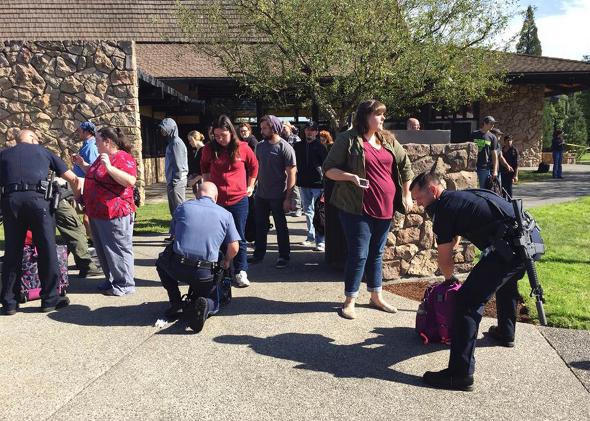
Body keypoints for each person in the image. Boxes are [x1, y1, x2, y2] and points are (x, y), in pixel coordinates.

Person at [410, 171, 527, 391]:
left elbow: (444, 257)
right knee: (506, 281)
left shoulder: (443, 210)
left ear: (433, 191)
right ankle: (506, 331)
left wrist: (449, 280)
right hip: (525, 241)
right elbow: (455, 235)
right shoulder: (460, 198)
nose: (419, 205)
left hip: (508, 248)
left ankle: (459, 374)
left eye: (420, 199)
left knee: (465, 302)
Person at [323, 100, 414, 320]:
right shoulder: (348, 139)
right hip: (357, 207)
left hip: (385, 206)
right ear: (365, 116)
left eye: (384, 114)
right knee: (359, 253)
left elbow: (405, 165)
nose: (383, 118)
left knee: (377, 253)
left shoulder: (388, 140)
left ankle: (376, 296)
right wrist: (350, 177)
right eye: (379, 114)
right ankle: (350, 300)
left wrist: (406, 193)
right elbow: (328, 169)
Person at [1, 129, 80, 314]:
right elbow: (72, 178)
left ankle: (9, 302)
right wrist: (78, 198)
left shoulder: (3, 154)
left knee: (12, 251)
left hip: (11, 202)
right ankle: (50, 299)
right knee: (46, 249)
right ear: (33, 139)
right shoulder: (44, 151)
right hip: (39, 202)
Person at [156, 182, 240, 333]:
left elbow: (174, 235)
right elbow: (234, 247)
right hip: (204, 273)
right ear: (215, 197)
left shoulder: (182, 207)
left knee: (161, 263)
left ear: (197, 194)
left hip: (177, 267)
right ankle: (207, 304)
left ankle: (175, 302)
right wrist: (226, 261)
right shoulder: (226, 215)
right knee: (214, 298)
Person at [73, 127, 137, 296]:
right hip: (97, 212)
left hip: (115, 213)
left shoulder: (123, 157)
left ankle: (125, 284)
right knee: (103, 249)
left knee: (118, 249)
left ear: (107, 142)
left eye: (98, 140)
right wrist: (83, 164)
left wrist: (109, 167)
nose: (95, 143)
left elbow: (130, 180)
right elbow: (96, 176)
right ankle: (112, 280)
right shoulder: (101, 158)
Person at [200, 115, 259, 287]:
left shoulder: (243, 147)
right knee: (217, 236)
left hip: (239, 198)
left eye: (222, 135)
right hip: (216, 200)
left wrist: (251, 185)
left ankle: (241, 270)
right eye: (216, 135)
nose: (219, 139)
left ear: (231, 132)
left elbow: (254, 165)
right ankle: (219, 269)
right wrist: (207, 185)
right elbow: (204, 166)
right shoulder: (209, 149)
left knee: (238, 235)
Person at [248, 115, 297, 269]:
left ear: (274, 127)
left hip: (278, 195)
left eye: (265, 128)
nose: (261, 131)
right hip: (261, 194)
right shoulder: (260, 146)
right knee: (260, 225)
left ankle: (284, 255)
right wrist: (251, 186)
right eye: (261, 128)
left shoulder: (285, 147)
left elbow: (292, 174)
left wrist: (288, 198)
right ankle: (258, 254)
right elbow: (256, 169)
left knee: (281, 226)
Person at [294, 121, 328, 251]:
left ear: (316, 132)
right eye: (307, 129)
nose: (309, 132)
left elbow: (326, 164)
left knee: (319, 213)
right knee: (308, 212)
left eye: (312, 130)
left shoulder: (320, 146)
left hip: (318, 184)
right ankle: (310, 237)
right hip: (303, 183)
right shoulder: (298, 146)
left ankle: (320, 240)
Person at [158, 118, 188, 241]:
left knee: (179, 209)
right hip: (173, 181)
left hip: (177, 182)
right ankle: (175, 233)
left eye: (164, 128)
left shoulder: (176, 143)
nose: (162, 131)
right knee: (174, 209)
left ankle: (181, 235)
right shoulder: (172, 142)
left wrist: (175, 181)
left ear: (171, 128)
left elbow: (179, 164)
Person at [72, 121, 99, 239]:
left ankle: (93, 240)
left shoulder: (91, 147)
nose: (78, 132)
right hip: (84, 183)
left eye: (80, 130)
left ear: (86, 131)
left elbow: (93, 169)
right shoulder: (87, 145)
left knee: (88, 217)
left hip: (87, 184)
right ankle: (93, 239)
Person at [470, 116, 499, 188]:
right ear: (485, 123)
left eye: (494, 124)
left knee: (483, 189)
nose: (493, 125)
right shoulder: (474, 134)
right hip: (472, 167)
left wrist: (495, 170)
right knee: (472, 189)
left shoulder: (492, 137)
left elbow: (494, 155)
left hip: (484, 167)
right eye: (491, 123)